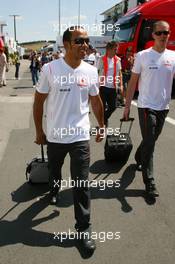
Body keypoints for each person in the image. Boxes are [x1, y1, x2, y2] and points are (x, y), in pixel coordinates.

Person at [33, 26, 104, 253]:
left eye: (86, 40)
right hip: (55, 136)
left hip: (80, 136)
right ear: (65, 44)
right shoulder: (50, 69)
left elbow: (95, 101)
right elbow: (38, 102)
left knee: (81, 183)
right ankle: (53, 189)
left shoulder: (90, 71)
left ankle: (83, 230)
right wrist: (39, 132)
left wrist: (101, 126)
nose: (85, 45)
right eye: (79, 41)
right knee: (55, 171)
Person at [123, 21, 175, 199]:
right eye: (159, 33)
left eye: (166, 33)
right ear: (153, 35)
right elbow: (132, 82)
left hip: (163, 107)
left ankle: (139, 156)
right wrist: (127, 106)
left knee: (150, 140)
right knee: (151, 143)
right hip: (146, 106)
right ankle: (150, 182)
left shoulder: (173, 56)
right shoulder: (143, 56)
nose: (163, 36)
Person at [98, 41, 123, 126]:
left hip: (113, 87)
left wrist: (121, 85)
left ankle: (105, 118)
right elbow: (96, 71)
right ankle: (103, 123)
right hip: (103, 86)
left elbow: (120, 73)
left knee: (113, 106)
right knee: (102, 107)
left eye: (116, 49)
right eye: (115, 49)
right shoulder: (101, 59)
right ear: (109, 50)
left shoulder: (117, 60)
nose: (116, 51)